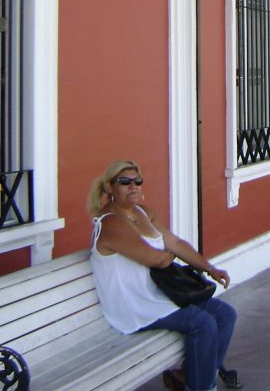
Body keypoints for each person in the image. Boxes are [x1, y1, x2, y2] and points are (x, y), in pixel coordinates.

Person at [88, 160, 241, 391]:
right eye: (125, 182)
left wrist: (210, 269)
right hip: (134, 305)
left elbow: (176, 244)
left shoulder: (143, 212)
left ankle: (191, 375)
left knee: (225, 314)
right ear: (109, 188)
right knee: (202, 323)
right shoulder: (111, 223)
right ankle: (201, 386)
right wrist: (166, 254)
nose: (133, 186)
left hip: (158, 295)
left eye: (137, 181)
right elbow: (156, 259)